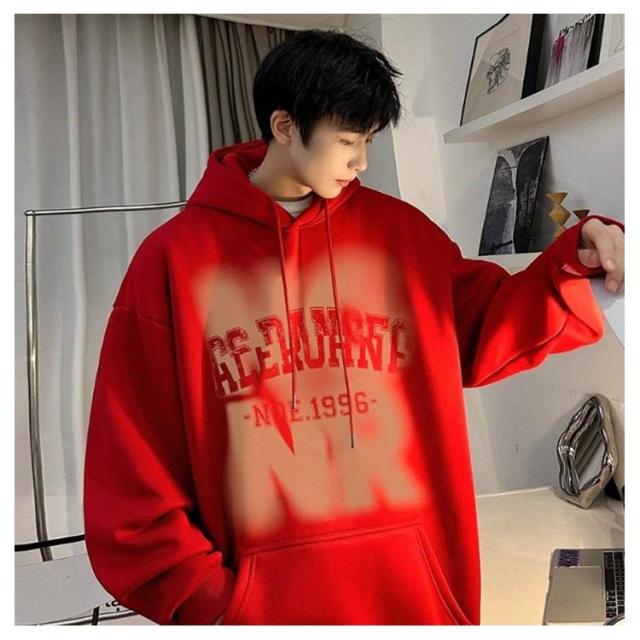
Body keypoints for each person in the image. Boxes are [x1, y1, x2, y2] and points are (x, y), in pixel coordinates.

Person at [82, 28, 625, 626]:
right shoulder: (174, 261)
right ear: (284, 126)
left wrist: (578, 256)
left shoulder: (401, 236)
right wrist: (214, 606)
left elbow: (490, 326)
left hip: (417, 597)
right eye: (346, 141)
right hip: (261, 614)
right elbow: (131, 462)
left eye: (367, 140)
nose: (361, 161)